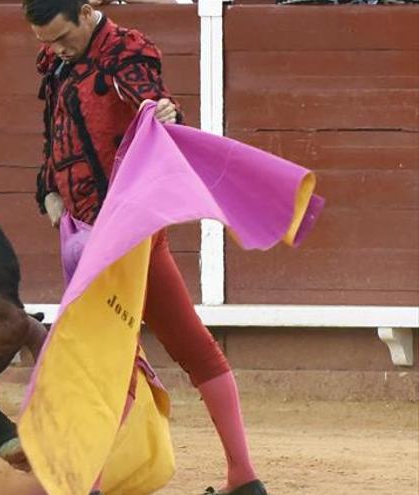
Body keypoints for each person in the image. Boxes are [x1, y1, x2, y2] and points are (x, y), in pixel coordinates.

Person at [21, 1, 268, 494]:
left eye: (61, 37)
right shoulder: (59, 62)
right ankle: (244, 480)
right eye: (45, 41)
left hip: (129, 235)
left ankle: (88, 483)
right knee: (150, 352)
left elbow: (153, 108)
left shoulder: (125, 52)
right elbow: (58, 138)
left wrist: (165, 113)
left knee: (106, 360)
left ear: (87, 13)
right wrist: (48, 189)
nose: (55, 49)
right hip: (84, 235)